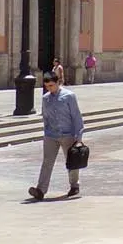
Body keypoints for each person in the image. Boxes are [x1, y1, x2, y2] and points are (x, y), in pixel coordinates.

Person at [28, 71, 84, 200]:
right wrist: (46, 132)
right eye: (47, 86)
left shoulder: (69, 96)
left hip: (68, 134)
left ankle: (74, 186)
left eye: (52, 85)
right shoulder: (45, 98)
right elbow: (45, 117)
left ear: (58, 83)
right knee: (47, 162)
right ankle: (41, 190)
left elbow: (76, 116)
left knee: (71, 161)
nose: (49, 89)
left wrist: (79, 137)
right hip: (51, 135)